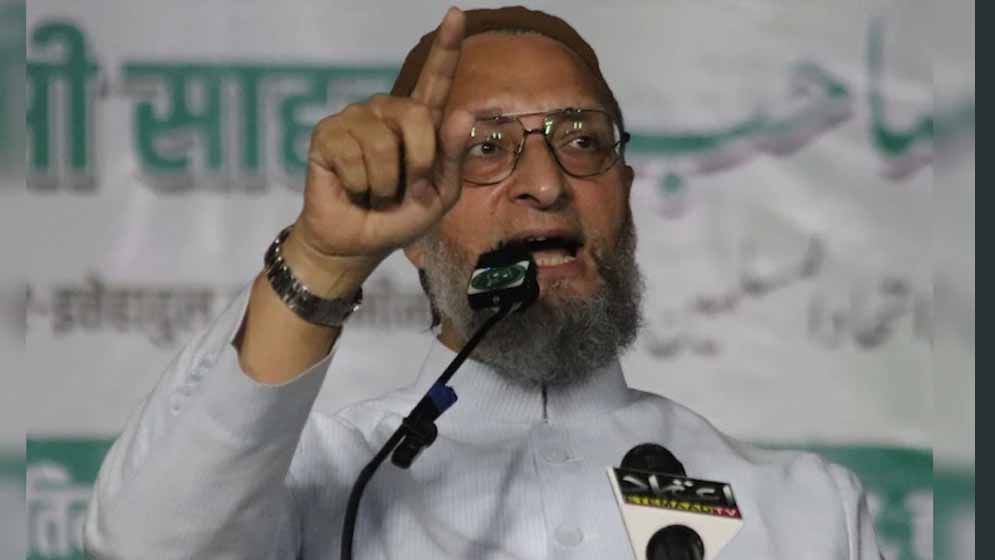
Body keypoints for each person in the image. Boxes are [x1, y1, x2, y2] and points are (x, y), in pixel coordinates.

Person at [83, 6, 882, 559]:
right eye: (486, 149)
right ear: (413, 231)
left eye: (581, 140)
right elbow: (146, 545)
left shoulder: (804, 511)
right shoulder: (322, 481)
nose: (546, 182)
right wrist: (322, 259)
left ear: (626, 188)